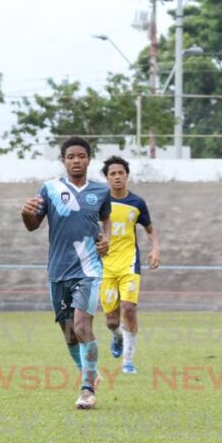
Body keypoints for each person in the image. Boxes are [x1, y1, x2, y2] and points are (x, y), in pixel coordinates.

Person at [20, 137, 112, 409]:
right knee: (70, 333)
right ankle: (91, 374)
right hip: (58, 270)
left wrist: (106, 239)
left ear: (88, 159)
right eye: (70, 156)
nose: (76, 160)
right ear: (63, 160)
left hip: (89, 269)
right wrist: (25, 213)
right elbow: (32, 225)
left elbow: (105, 220)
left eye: (81, 156)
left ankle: (87, 389)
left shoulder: (101, 190)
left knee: (83, 326)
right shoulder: (50, 189)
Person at [99, 155, 160, 374]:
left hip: (129, 263)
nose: (117, 177)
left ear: (127, 175)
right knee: (111, 320)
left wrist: (155, 249)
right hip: (105, 266)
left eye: (120, 173)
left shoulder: (137, 203)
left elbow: (150, 229)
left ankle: (128, 361)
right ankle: (117, 338)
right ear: (107, 178)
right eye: (112, 174)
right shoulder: (99, 201)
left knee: (129, 309)